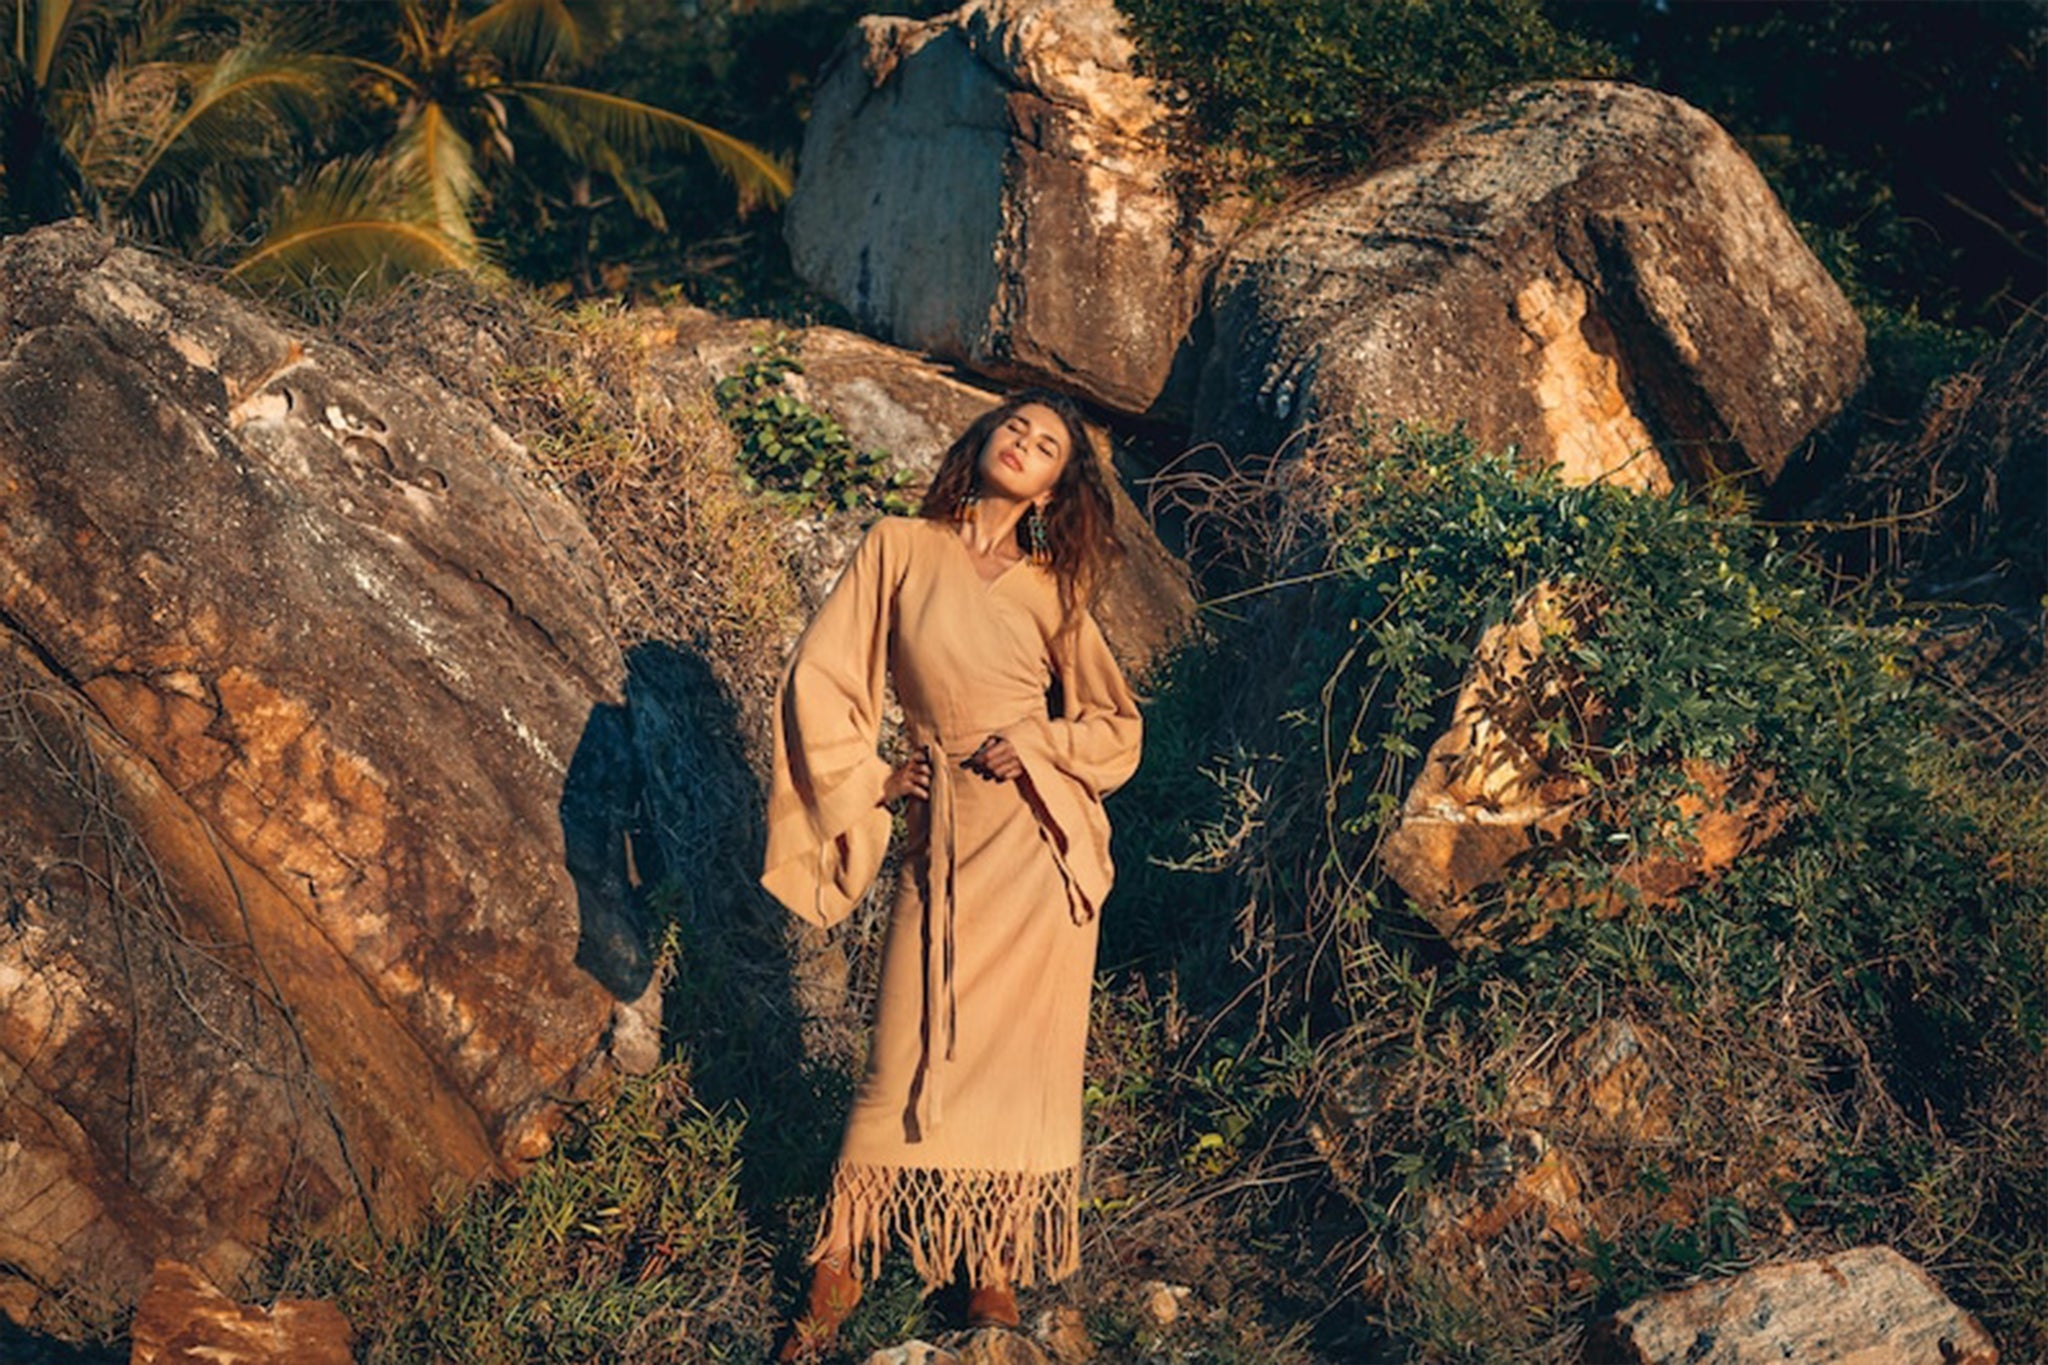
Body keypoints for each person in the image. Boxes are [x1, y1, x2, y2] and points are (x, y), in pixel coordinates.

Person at [760, 390, 1143, 1360]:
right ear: (979, 442)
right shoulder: (900, 545)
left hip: (1033, 853)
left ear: (1059, 482)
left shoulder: (1055, 589)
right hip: (939, 836)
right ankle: (836, 1270)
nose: (1024, 441)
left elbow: (1115, 727)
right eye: (1014, 426)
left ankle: (992, 1270)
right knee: (900, 1056)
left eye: (1047, 443)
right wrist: (880, 777)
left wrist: (1038, 741)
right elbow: (825, 673)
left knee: (1017, 1068)